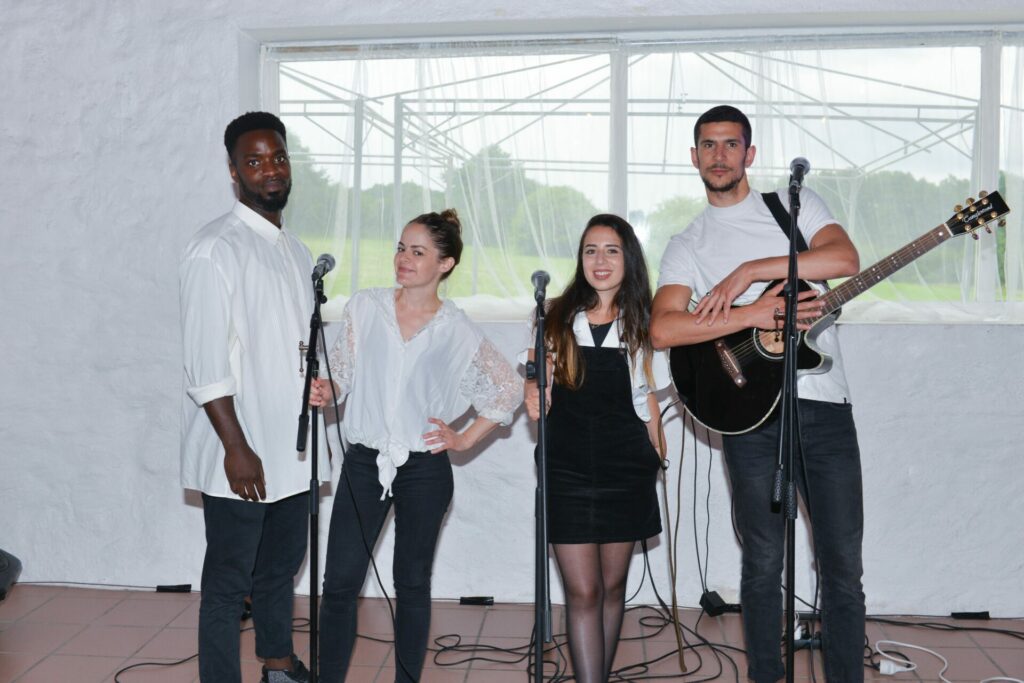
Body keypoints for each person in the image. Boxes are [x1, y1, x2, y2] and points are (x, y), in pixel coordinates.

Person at [650, 104, 865, 683]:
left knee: (842, 564)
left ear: (750, 153)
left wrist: (750, 271)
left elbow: (845, 259)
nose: (719, 155)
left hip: (824, 405)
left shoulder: (794, 207)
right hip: (747, 417)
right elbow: (665, 328)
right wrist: (756, 313)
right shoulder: (687, 243)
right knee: (765, 559)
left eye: (731, 144)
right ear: (694, 157)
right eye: (708, 145)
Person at [309, 209, 523, 683]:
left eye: (418, 252)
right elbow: (341, 376)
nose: (404, 259)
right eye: (401, 248)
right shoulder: (366, 307)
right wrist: (328, 390)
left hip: (424, 468)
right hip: (365, 462)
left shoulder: (457, 329)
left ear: (444, 264)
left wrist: (463, 438)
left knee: (411, 585)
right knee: (339, 584)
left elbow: (507, 389)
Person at [180, 111, 329, 683]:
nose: (271, 169)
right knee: (228, 582)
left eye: (278, 157)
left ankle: (276, 662)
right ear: (233, 171)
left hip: (289, 447)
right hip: (240, 452)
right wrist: (236, 449)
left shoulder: (293, 249)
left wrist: (316, 383)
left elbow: (289, 344)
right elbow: (205, 364)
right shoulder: (213, 249)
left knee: (281, 569)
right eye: (255, 160)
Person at [525, 214, 667, 683]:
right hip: (567, 469)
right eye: (590, 250)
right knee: (582, 590)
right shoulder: (555, 317)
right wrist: (532, 385)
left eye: (611, 250)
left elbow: (649, 401)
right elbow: (533, 382)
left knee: (611, 586)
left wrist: (656, 459)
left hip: (626, 467)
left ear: (628, 257)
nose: (600, 260)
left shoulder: (646, 323)